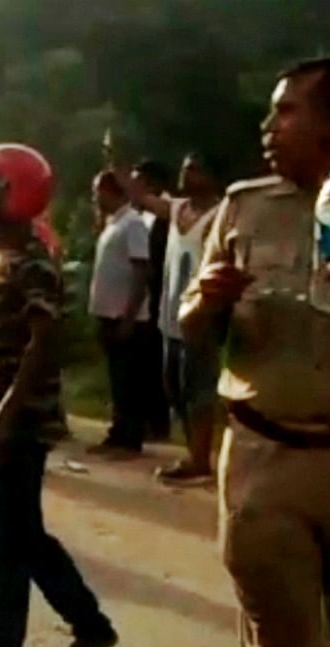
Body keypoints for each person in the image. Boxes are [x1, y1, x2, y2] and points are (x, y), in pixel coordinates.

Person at [180, 57, 330, 647]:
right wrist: (209, 303)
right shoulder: (244, 208)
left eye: (288, 110)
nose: (268, 125)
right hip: (263, 462)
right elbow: (190, 328)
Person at [0, 144, 119, 647]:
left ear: (14, 195)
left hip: (19, 426)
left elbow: (43, 347)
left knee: (4, 543)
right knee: (25, 536)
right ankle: (90, 626)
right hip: (0, 421)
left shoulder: (33, 262)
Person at [116, 153, 224, 485]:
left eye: (193, 168)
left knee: (199, 390)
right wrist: (115, 164)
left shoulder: (221, 215)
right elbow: (140, 199)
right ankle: (194, 452)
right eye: (184, 167)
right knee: (175, 388)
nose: (184, 174)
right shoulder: (178, 209)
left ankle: (201, 458)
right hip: (169, 316)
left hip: (199, 317)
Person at [87, 170, 152, 456]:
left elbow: (141, 270)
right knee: (117, 378)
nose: (94, 198)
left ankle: (130, 438)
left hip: (125, 316)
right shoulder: (113, 224)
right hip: (107, 313)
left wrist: (129, 315)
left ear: (112, 192)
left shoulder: (133, 223)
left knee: (129, 380)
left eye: (98, 192)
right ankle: (118, 432)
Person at [132, 161, 174, 442]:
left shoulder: (169, 212)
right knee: (145, 359)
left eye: (139, 182)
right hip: (148, 295)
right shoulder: (142, 216)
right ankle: (149, 417)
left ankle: (159, 421)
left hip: (163, 292)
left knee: (157, 358)